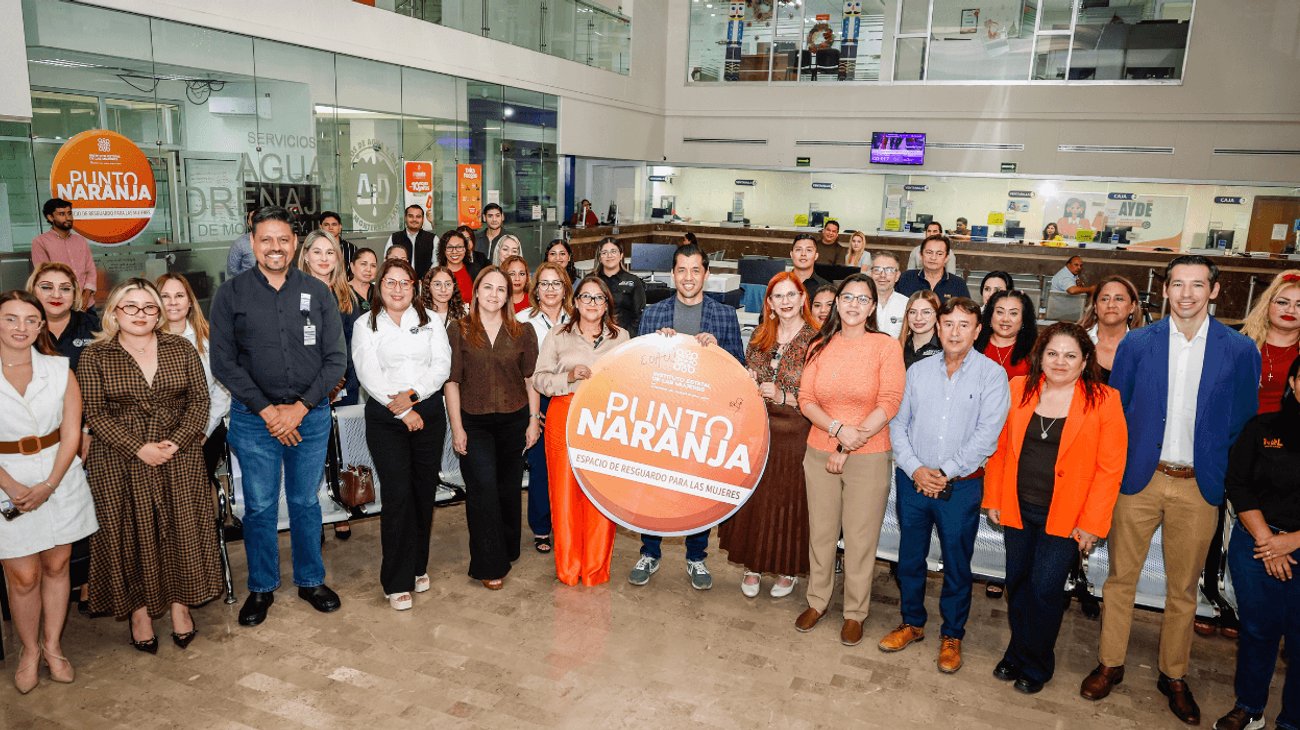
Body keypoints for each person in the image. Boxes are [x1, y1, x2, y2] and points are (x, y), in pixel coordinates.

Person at [1081, 256, 1261, 725]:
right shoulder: (1139, 343)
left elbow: (1242, 422)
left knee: (1182, 588)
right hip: (1139, 480)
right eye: (1177, 284)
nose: (1186, 293)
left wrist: (1218, 472)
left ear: (1215, 291)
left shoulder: (1239, 350)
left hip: (1198, 485)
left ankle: (1173, 674)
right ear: (1165, 290)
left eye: (1197, 285)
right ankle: (1110, 663)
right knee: (1121, 578)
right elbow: (1117, 411)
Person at [210, 206, 347, 627]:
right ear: (252, 242)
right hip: (255, 421)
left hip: (311, 414)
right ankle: (263, 586)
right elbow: (224, 364)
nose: (275, 247)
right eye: (266, 239)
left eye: (283, 240)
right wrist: (270, 412)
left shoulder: (318, 293)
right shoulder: (230, 295)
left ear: (294, 245)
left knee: (307, 501)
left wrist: (300, 408)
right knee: (261, 505)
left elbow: (335, 359)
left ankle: (310, 580)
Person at [983, 323, 1127, 694]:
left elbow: (1110, 470)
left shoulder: (1104, 399)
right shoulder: (1018, 390)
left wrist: (1093, 524)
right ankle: (1016, 649)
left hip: (1066, 517)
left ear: (1084, 362)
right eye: (1052, 353)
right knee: (1017, 582)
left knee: (1045, 588)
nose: (1059, 362)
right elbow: (999, 450)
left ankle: (1037, 662)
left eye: (1069, 355)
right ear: (1040, 357)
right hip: (1018, 507)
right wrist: (994, 499)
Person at [78, 278, 221, 651]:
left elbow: (200, 402)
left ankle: (179, 605)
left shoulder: (180, 348)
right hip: (121, 460)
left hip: (179, 454)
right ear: (114, 312)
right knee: (130, 533)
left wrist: (177, 441)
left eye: (149, 307)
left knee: (180, 530)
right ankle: (138, 612)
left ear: (159, 313)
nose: (140, 315)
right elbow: (94, 412)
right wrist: (138, 447)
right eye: (131, 307)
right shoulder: (96, 355)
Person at [882, 297, 1010, 674]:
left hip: (962, 487)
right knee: (910, 558)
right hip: (913, 482)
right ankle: (912, 623)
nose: (955, 332)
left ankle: (952, 635)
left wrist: (945, 472)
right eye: (948, 324)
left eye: (964, 325)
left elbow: (988, 435)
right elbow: (897, 424)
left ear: (977, 331)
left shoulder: (991, 375)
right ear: (937, 328)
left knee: (957, 563)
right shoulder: (918, 372)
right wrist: (916, 469)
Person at [794, 274, 905, 646]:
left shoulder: (885, 347)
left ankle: (855, 612)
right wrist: (839, 429)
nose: (853, 305)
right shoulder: (819, 345)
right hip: (820, 448)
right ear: (837, 302)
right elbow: (805, 398)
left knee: (860, 537)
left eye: (862, 299)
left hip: (869, 454)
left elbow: (889, 400)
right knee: (821, 533)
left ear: (873, 307)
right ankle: (817, 601)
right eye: (847, 297)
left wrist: (853, 439)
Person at [630, 243, 744, 590]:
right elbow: (636, 367)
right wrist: (657, 347)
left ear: (706, 274)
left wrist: (719, 353)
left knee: (696, 491)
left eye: (696, 270)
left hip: (702, 423)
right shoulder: (654, 314)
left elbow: (738, 370)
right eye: (682, 270)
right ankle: (650, 552)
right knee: (653, 489)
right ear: (672, 274)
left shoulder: (724, 316)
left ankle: (696, 557)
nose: (689, 277)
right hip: (662, 420)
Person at [0, 290, 97, 693]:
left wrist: (49, 484)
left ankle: (53, 646)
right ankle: (29, 651)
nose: (21, 328)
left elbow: (73, 432)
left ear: (41, 326)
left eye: (29, 320)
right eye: (10, 319)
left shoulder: (60, 370)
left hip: (59, 474)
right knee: (23, 575)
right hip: (7, 481)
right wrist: (13, 486)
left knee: (58, 566)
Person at [352, 259, 451, 611]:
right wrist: (403, 411)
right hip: (385, 418)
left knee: (423, 493)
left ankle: (418, 565)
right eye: (390, 283)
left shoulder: (431, 322)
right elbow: (368, 373)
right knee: (397, 496)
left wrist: (413, 398)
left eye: (404, 283)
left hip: (427, 411)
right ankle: (395, 580)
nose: (397, 290)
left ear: (414, 287)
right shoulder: (366, 325)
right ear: (380, 286)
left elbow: (441, 366)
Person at [1213, 356, 1300, 730]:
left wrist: (1291, 542)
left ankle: (1293, 720)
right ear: (1294, 382)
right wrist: (1268, 540)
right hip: (1255, 546)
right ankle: (1249, 707)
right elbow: (1238, 483)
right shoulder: (1263, 427)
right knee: (1257, 631)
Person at [719, 273, 818, 599]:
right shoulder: (761, 335)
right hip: (759, 430)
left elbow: (820, 394)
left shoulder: (818, 341)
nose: (786, 301)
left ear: (803, 299)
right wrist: (747, 380)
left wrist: (783, 396)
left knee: (788, 504)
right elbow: (750, 377)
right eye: (778, 296)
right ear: (770, 303)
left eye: (792, 294)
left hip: (796, 434)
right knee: (757, 502)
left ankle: (787, 569)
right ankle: (753, 566)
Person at [446, 266, 541, 590]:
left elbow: (530, 380)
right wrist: (457, 428)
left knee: (507, 489)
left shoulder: (523, 330)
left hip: (514, 420)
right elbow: (452, 382)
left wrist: (532, 420)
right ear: (477, 291)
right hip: (475, 422)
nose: (494, 294)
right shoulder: (458, 330)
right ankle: (490, 564)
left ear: (509, 295)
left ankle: (508, 545)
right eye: (488, 287)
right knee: (483, 490)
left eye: (501, 289)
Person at [531, 276, 628, 585]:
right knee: (564, 491)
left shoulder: (621, 337)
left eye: (598, 298)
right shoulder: (558, 335)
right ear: (575, 302)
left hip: (604, 420)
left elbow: (631, 381)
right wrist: (568, 378)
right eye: (586, 297)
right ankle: (569, 567)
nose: (591, 303)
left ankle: (595, 568)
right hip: (564, 414)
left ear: (607, 304)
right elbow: (539, 378)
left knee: (599, 491)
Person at [156, 273, 232, 515]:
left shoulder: (209, 337)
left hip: (205, 430)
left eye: (179, 295)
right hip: (160, 433)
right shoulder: (145, 341)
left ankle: (209, 545)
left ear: (190, 301)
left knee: (198, 486)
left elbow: (223, 390)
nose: (173, 302)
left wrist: (203, 430)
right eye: (164, 296)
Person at [517, 262, 573, 554]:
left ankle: (567, 523)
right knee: (541, 468)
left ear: (565, 289)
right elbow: (518, 371)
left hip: (572, 400)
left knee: (571, 467)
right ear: (535, 289)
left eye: (556, 283)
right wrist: (530, 413)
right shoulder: (521, 320)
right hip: (536, 401)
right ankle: (541, 528)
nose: (550, 289)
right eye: (545, 283)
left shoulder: (579, 318)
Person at [1241, 270, 1300, 414]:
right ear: (1267, 305)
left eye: (1299, 305)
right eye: (1282, 302)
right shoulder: (1237, 341)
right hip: (1233, 431)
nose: (1290, 310)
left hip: (1286, 433)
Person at [27, 263, 99, 370]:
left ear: (74, 294)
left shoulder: (96, 326)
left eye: (65, 289)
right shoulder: (20, 328)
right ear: (33, 291)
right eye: (46, 287)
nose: (56, 295)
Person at [31, 198, 97, 310]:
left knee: (93, 328)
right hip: (61, 305)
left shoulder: (80, 240)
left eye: (69, 213)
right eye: (62, 214)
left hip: (87, 305)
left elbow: (91, 270)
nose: (68, 218)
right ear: (50, 217)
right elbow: (44, 275)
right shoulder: (40, 242)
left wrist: (85, 297)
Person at [1079, 275, 1139, 384]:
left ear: (1132, 307)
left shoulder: (1144, 348)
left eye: (1119, 299)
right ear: (1095, 307)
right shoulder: (1077, 343)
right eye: (1104, 299)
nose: (1111, 304)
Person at [976, 289, 1037, 380]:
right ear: (990, 315)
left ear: (1024, 319)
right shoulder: (973, 345)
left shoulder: (1035, 350)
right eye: (1000, 312)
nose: (1005, 319)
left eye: (1013, 313)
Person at [594, 237, 646, 335]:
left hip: (624, 337)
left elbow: (640, 315)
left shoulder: (633, 281)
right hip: (594, 336)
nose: (609, 255)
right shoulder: (591, 280)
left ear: (621, 255)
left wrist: (627, 335)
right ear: (600, 258)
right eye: (604, 252)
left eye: (613, 251)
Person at [897, 235, 970, 303]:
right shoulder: (905, 278)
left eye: (939, 254)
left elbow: (967, 313)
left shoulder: (958, 284)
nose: (933, 257)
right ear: (921, 255)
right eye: (929, 252)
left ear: (946, 258)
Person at [386, 205, 438, 278]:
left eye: (418, 217)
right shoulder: (394, 237)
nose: (414, 219)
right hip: (400, 281)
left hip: (424, 283)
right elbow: (387, 262)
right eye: (411, 216)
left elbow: (437, 262)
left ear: (423, 219)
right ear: (405, 218)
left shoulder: (432, 238)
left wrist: (428, 278)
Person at [899, 290, 943, 369]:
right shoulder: (897, 346)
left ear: (937, 314)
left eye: (926, 312)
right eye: (913, 312)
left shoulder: (946, 348)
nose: (918, 318)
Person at [869, 251, 907, 338]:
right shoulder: (859, 303)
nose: (882, 275)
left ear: (897, 276)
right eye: (877, 270)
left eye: (889, 270)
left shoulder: (907, 304)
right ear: (870, 274)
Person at [439, 229, 479, 303]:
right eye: (449, 247)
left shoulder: (475, 271)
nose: (454, 251)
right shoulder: (437, 273)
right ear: (443, 250)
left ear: (465, 249)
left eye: (459, 247)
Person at [226, 210, 256, 280]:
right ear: (249, 222)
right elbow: (232, 270)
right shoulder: (240, 243)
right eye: (253, 219)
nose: (256, 221)